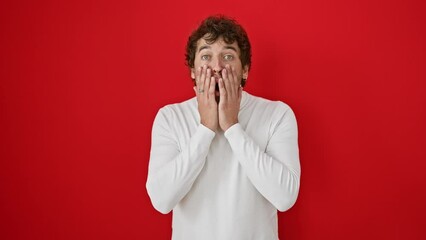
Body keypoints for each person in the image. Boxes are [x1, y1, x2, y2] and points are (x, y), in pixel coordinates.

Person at [146, 15, 301, 240]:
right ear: (193, 70)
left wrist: (232, 127)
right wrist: (206, 128)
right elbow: (161, 200)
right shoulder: (170, 118)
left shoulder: (277, 115)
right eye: (206, 56)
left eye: (228, 56)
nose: (217, 67)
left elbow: (285, 197)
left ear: (245, 69)